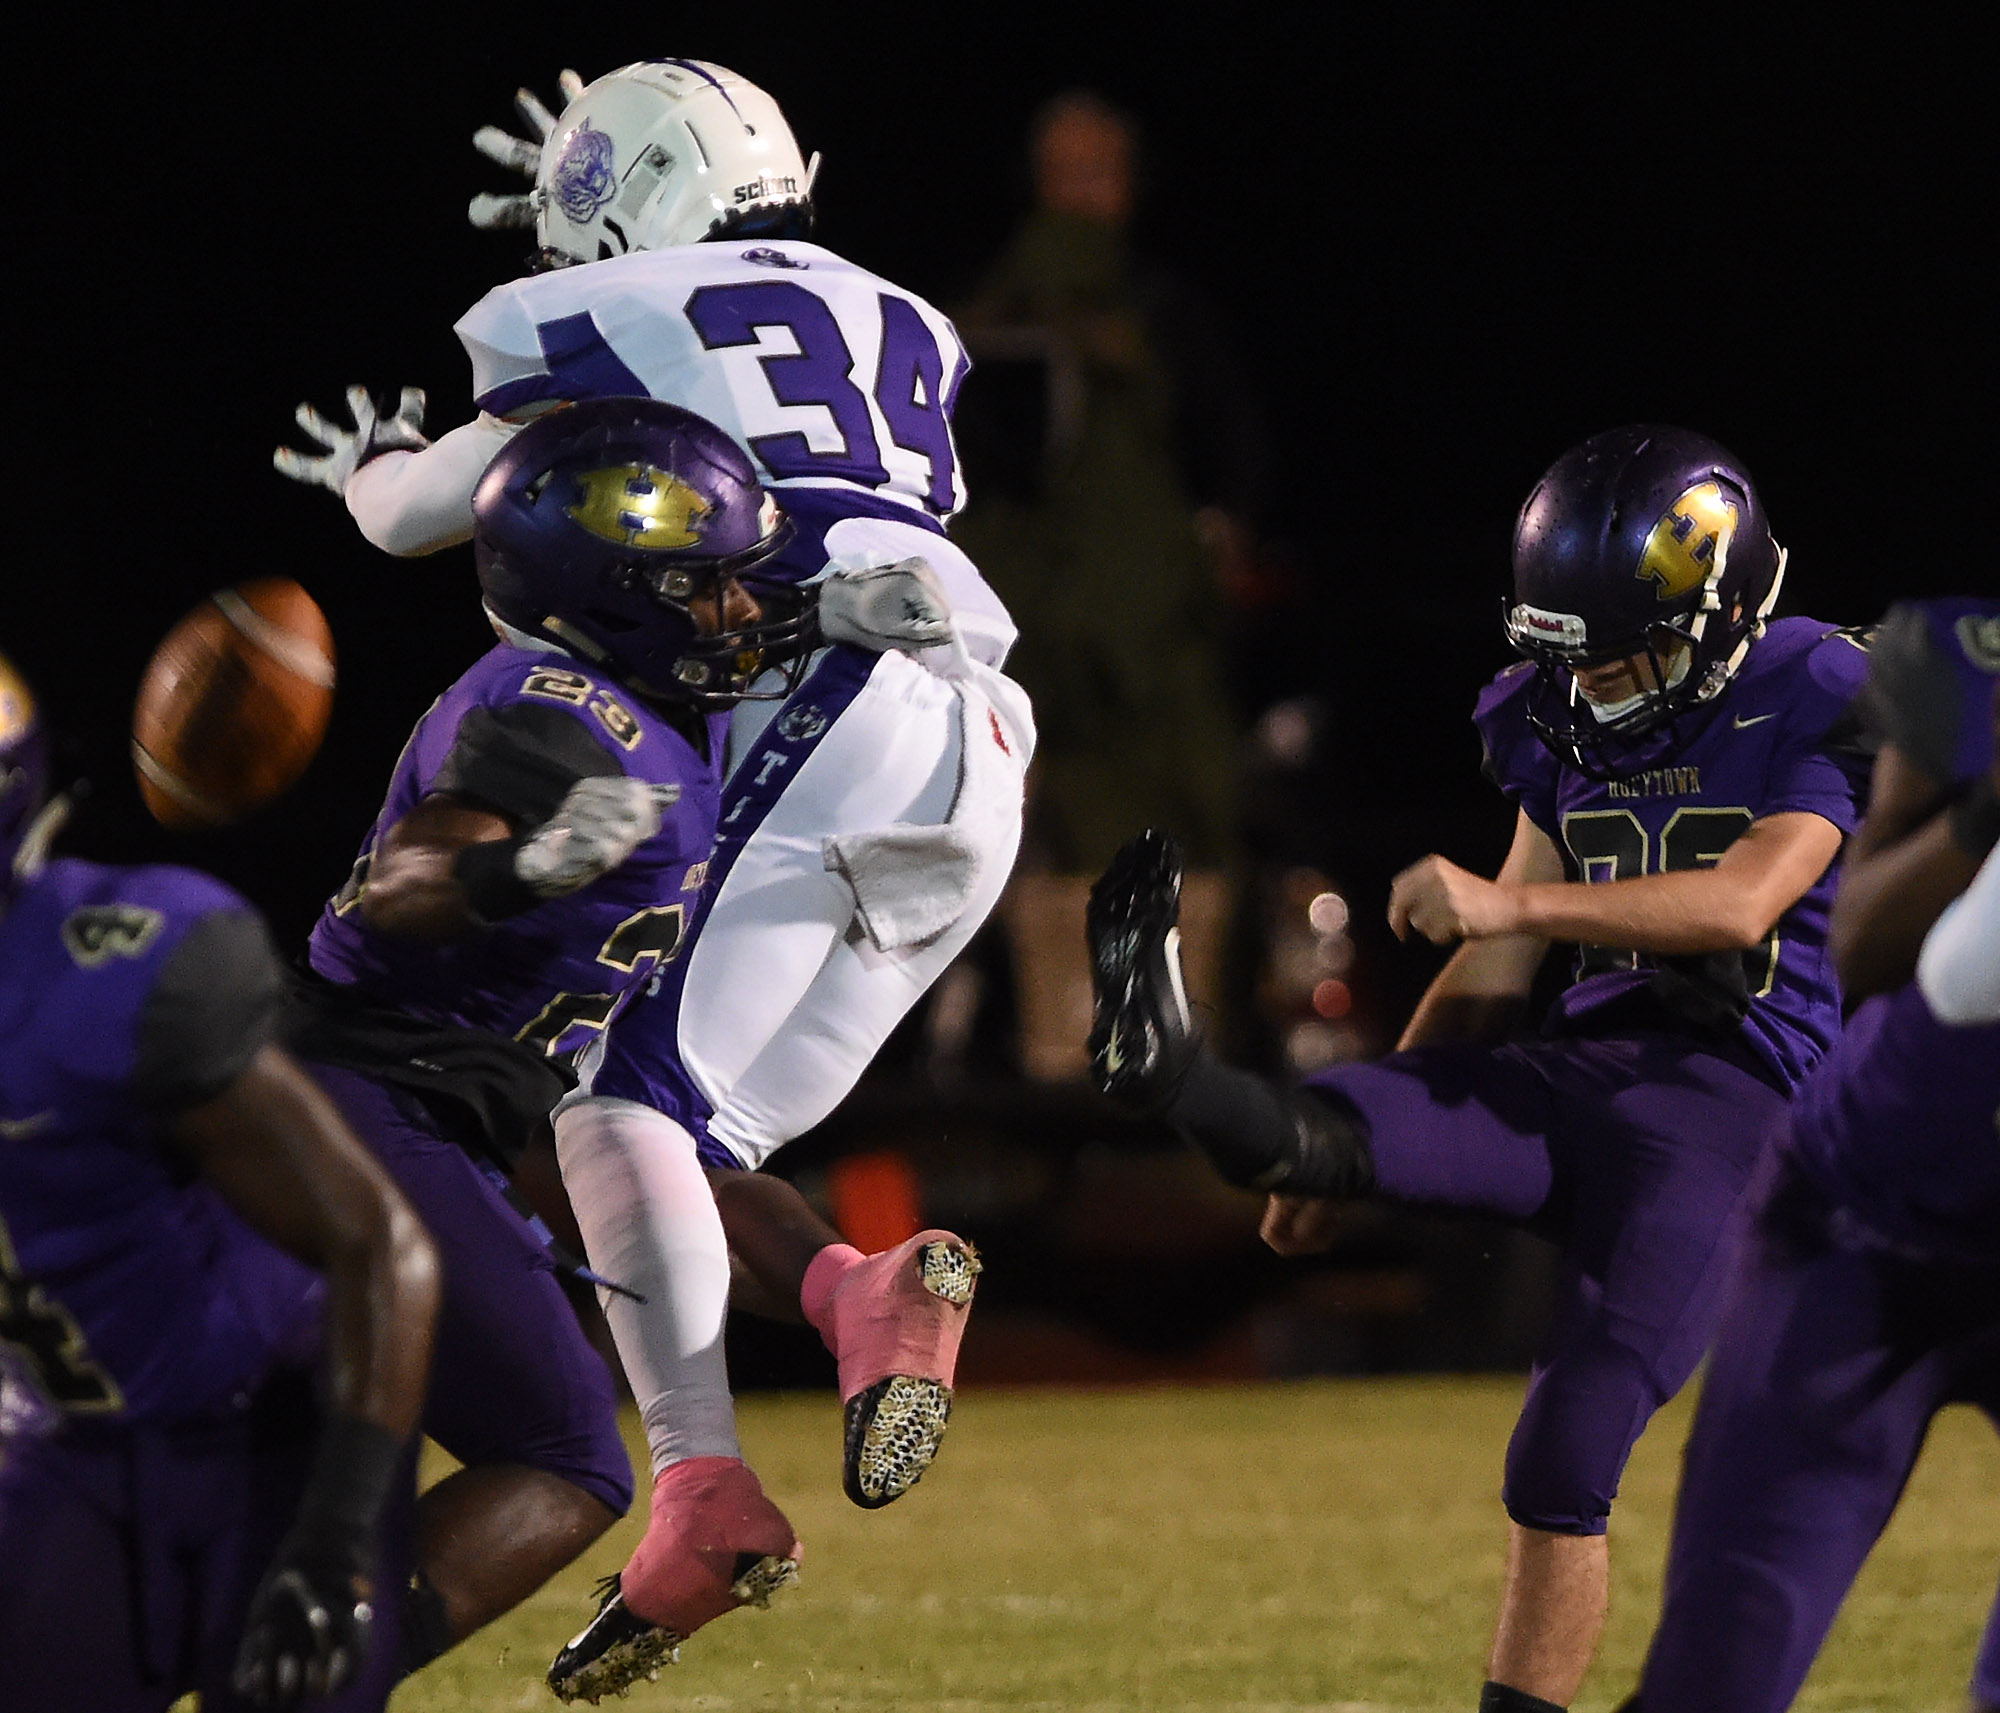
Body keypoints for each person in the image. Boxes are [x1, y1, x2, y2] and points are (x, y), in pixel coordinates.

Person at [272, 58, 1031, 1701]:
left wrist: (374, 462)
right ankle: (851, 1290)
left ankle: (696, 1475)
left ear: (619, 204)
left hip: (825, 679)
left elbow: (426, 507)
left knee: (613, 1108)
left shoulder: (599, 306)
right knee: (676, 1133)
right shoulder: (903, 312)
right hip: (980, 727)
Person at [1086, 425, 1874, 1713]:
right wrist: (1364, 1147)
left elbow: (1740, 904)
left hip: (1736, 1106)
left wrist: (1509, 916)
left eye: (1626, 658)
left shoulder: (1819, 686)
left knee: (1563, 1455)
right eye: (1578, 658)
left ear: (1720, 607)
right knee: (1317, 1124)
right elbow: (1496, 970)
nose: (1598, 691)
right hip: (1581, 1071)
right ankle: (1170, 1071)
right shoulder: (1554, 716)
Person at [287, 395, 833, 1682]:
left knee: (337, 1492)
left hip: (393, 1117)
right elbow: (411, 876)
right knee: (562, 1454)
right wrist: (521, 864)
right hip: (374, 1111)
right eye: (704, 590)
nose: (740, 614)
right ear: (613, 595)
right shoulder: (567, 713)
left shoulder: (624, 700)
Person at [0, 650, 441, 1712]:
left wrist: (334, 1542)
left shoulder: (112, 969)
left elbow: (377, 1245)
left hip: (264, 1444)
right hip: (60, 1444)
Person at [1621, 597, 2000, 1713]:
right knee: (1714, 1677)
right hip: (1854, 1239)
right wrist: (1982, 824)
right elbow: (1862, 942)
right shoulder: (1962, 669)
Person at [952, 89, 1264, 1080]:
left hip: (1150, 654)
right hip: (1030, 643)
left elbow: (1233, 455)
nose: (1079, 195)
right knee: (1030, 838)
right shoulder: (984, 316)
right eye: (1063, 172)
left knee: (1179, 828)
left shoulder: (1166, 317)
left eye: (1099, 171)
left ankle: (1176, 1073)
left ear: (1130, 189)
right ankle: (1054, 1076)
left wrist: (1204, 546)